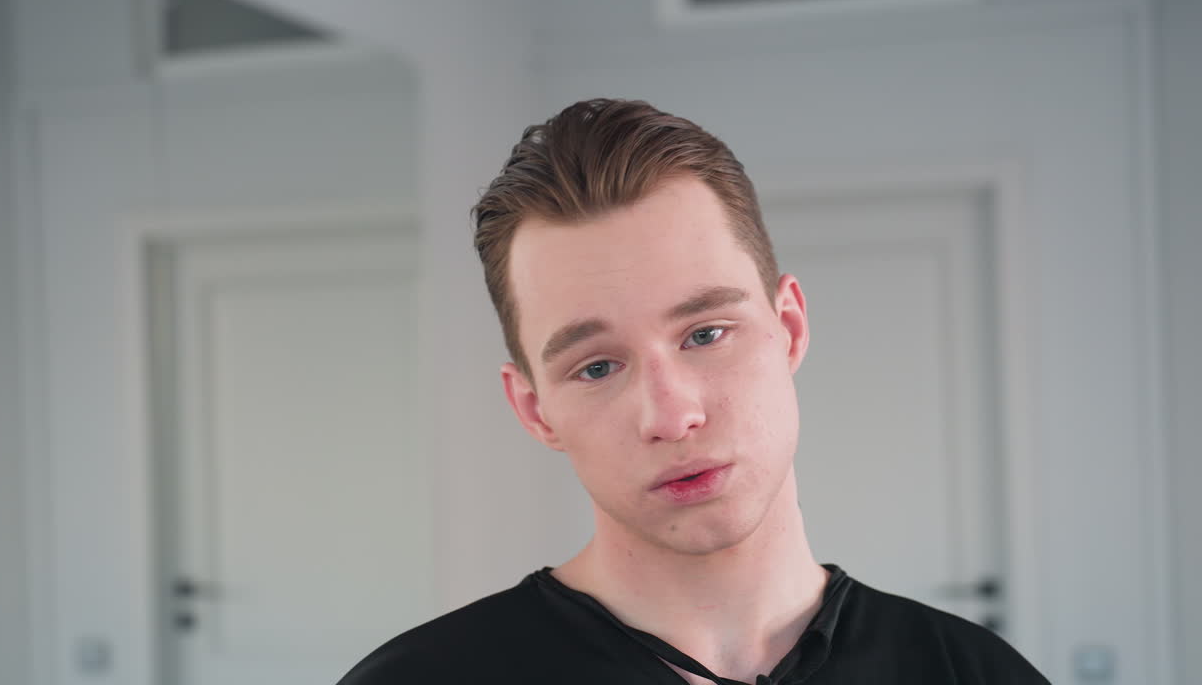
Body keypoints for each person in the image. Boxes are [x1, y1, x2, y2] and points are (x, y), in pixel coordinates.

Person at [336, 99, 1049, 685]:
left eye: (706, 334)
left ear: (790, 328)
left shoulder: (974, 675)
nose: (673, 415)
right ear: (534, 409)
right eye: (597, 367)